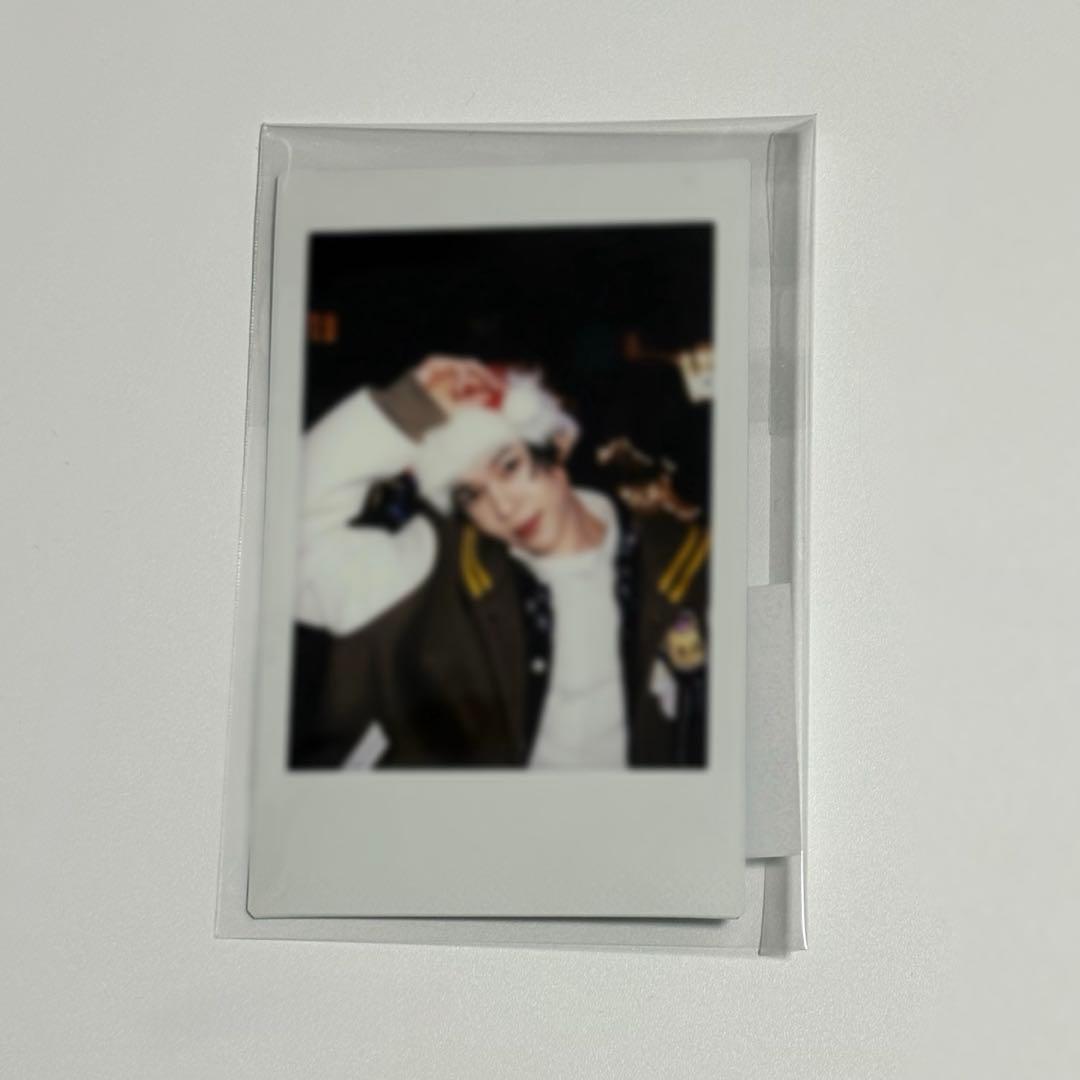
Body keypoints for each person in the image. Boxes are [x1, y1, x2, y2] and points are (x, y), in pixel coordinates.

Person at [295, 355, 710, 768]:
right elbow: (288, 557)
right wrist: (405, 409)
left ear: (558, 446)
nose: (503, 506)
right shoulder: (443, 565)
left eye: (509, 467)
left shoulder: (690, 562)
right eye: (471, 495)